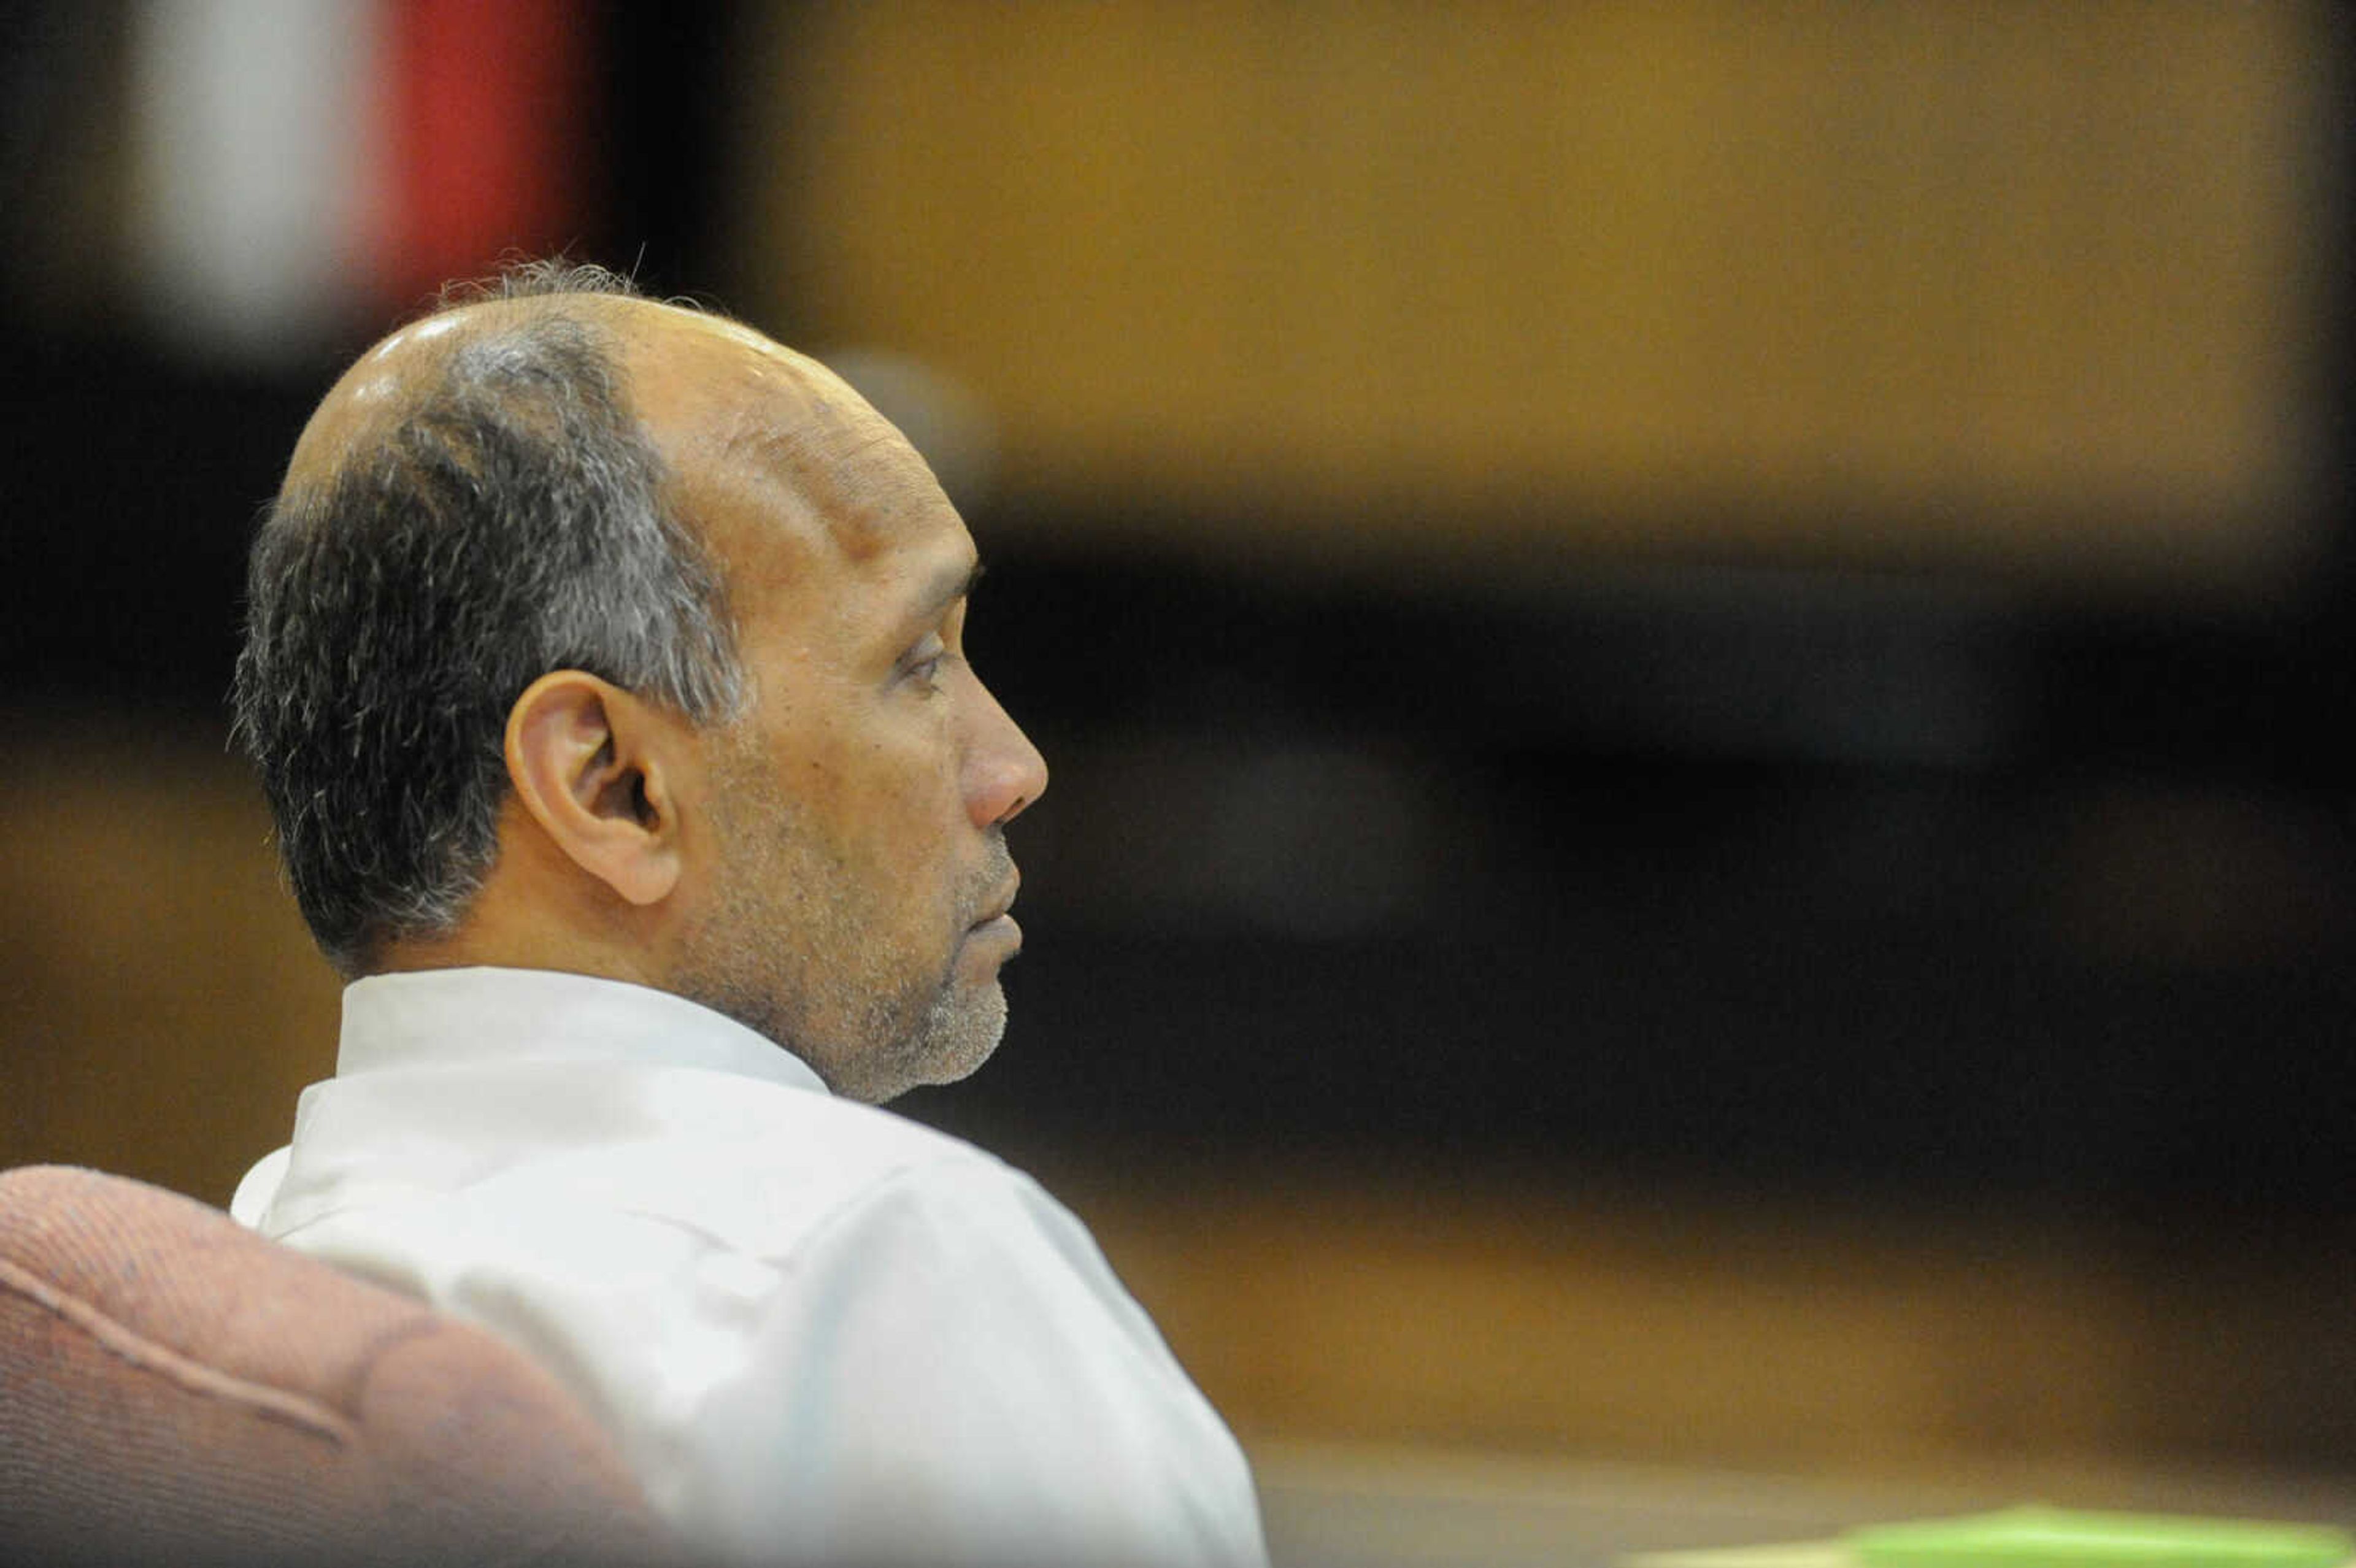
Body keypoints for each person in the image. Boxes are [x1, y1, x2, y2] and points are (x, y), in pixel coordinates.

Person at [227, 261, 1268, 1568]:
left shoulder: (238, 1289)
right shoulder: (872, 1270)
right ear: (612, 784)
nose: (1010, 768)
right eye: (918, 661)